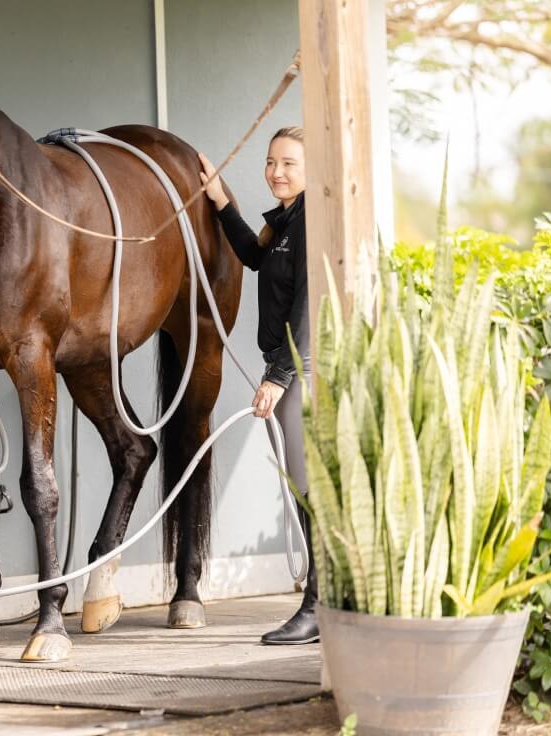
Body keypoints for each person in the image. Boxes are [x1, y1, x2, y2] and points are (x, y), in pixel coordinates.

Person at [198, 127, 317, 645]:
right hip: (290, 365)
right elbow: (255, 257)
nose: (277, 172)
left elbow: (309, 306)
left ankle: (318, 608)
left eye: (289, 163)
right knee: (304, 486)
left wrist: (278, 377)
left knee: (312, 491)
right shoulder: (287, 221)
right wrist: (223, 201)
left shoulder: (313, 221)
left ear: (313, 168)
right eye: (271, 162)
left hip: (304, 368)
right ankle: (323, 605)